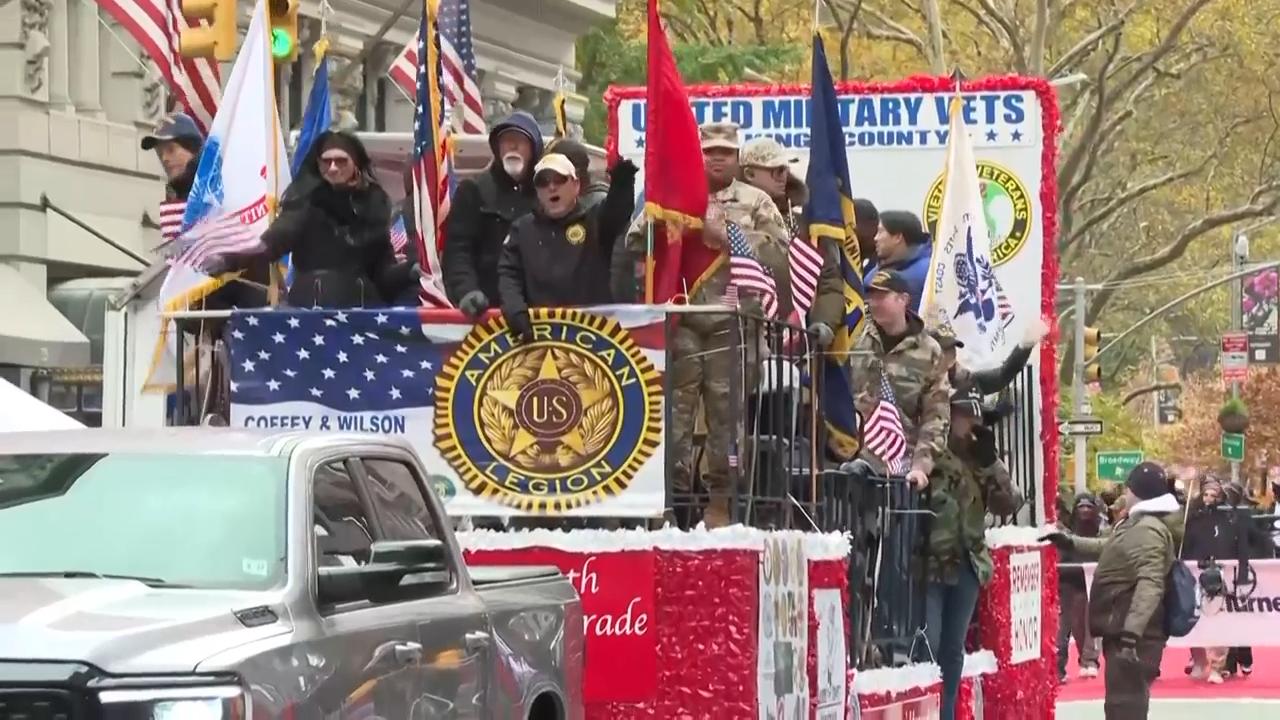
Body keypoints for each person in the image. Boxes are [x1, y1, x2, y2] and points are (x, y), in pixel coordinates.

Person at [624, 121, 790, 526]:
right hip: (680, 322)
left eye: (725, 152)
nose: (717, 158)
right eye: (710, 151)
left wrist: (730, 235)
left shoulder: (755, 200)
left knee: (726, 422)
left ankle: (722, 504)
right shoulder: (675, 194)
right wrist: (661, 223)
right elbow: (634, 241)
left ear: (738, 158)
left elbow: (780, 254)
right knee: (672, 421)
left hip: (732, 325)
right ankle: (670, 504)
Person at [201, 131, 418, 308]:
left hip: (361, 312)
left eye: (341, 161)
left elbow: (383, 273)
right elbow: (273, 241)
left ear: (356, 164)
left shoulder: (373, 207)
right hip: (312, 309)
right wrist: (229, 260)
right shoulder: (306, 201)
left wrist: (412, 269)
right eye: (326, 161)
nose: (333, 168)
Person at [1045, 462, 1180, 719]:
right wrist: (1070, 542)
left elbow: (1150, 584)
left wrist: (1131, 634)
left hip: (1132, 633)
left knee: (1125, 706)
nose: (1125, 495)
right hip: (1124, 627)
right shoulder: (1138, 525)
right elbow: (1110, 546)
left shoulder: (1147, 529)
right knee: (1122, 704)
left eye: (1128, 489)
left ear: (1137, 492)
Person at [920, 386, 1021, 720]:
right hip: (930, 562)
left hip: (968, 563)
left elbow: (1010, 502)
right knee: (929, 645)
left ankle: (947, 714)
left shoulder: (980, 459)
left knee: (952, 651)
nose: (970, 423)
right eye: (964, 415)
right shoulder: (931, 451)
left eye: (974, 416)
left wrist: (992, 462)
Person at [497, 153, 638, 338]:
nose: (551, 187)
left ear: (576, 185)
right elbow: (509, 274)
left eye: (559, 179)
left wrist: (623, 181)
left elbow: (617, 211)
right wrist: (515, 310)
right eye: (543, 182)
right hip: (538, 337)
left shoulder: (595, 221)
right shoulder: (521, 229)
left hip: (592, 338)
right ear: (537, 191)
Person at [848, 269, 951, 487]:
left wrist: (920, 467)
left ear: (903, 299)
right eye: (871, 296)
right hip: (856, 463)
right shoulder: (858, 341)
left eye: (882, 296)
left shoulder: (929, 352)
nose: (874, 303)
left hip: (903, 468)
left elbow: (936, 417)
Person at [443, 111, 544, 318]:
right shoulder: (474, 190)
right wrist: (466, 290)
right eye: (506, 140)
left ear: (534, 149)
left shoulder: (546, 193)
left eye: (520, 141)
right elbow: (458, 250)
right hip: (485, 311)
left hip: (536, 311)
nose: (513, 146)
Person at [1058, 493, 1105, 681]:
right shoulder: (1068, 532)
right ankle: (1076, 661)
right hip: (1070, 582)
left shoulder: (1101, 531)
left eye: (1089, 507)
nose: (1085, 511)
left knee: (1091, 624)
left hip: (1093, 582)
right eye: (1081, 507)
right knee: (1074, 625)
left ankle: (1090, 660)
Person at [864, 210, 933, 311]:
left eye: (880, 232)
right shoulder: (872, 275)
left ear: (897, 237)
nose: (875, 238)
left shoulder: (930, 272)